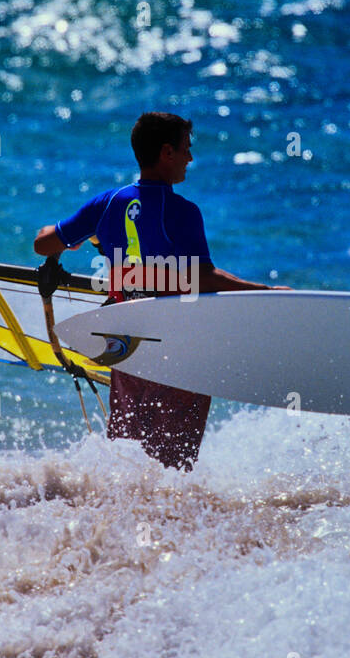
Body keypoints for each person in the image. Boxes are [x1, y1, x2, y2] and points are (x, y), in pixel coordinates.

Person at [34, 111, 282, 470]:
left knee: (127, 462)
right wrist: (264, 291)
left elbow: (44, 244)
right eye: (186, 149)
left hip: (126, 345)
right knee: (173, 470)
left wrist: (82, 236)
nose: (190, 158)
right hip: (180, 350)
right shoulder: (183, 211)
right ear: (167, 152)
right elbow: (203, 277)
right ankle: (170, 524)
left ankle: (116, 524)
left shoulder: (105, 204)